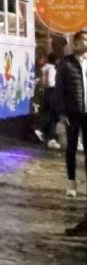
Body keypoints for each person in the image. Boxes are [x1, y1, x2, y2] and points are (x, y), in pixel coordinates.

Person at [55, 29, 87, 199]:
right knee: (71, 149)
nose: (86, 43)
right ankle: (71, 182)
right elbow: (59, 90)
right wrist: (62, 112)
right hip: (72, 112)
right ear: (75, 44)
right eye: (84, 40)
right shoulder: (66, 63)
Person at [34, 52, 60, 149]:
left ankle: (49, 137)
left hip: (45, 93)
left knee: (49, 114)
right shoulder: (52, 68)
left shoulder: (44, 68)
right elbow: (51, 82)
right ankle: (43, 131)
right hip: (52, 93)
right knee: (53, 115)